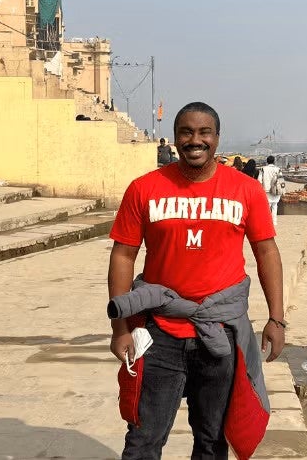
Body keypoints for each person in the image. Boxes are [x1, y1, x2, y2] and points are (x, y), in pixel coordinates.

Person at [108, 102, 285, 459]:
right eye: (186, 132)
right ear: (175, 138)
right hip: (159, 332)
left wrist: (276, 318)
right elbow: (123, 255)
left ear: (217, 138)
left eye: (204, 132)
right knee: (143, 438)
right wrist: (120, 329)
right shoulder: (145, 188)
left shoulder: (245, 190)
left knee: (213, 440)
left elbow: (267, 253)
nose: (195, 140)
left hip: (219, 333)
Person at [257, 155, 283, 225]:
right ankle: (274, 222)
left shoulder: (263, 169)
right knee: (275, 206)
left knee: (267, 207)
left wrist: (260, 189)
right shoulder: (278, 169)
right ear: (274, 161)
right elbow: (281, 180)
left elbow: (259, 180)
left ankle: (267, 222)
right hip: (276, 190)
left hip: (266, 190)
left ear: (267, 161)